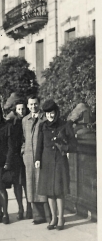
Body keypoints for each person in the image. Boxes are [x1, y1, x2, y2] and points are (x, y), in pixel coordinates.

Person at [35, 99, 78, 230]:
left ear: (56, 112)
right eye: (47, 113)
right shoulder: (42, 126)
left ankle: (61, 218)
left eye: (52, 113)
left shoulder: (65, 125)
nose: (50, 116)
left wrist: (64, 147)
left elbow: (74, 145)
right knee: (49, 192)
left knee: (59, 191)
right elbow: (39, 144)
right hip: (46, 162)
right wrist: (37, 159)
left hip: (60, 161)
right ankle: (53, 218)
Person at [21, 95, 51, 224]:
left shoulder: (44, 119)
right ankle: (37, 216)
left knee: (42, 185)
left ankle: (49, 215)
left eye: (35, 104)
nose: (33, 106)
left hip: (41, 157)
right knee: (31, 185)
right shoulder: (24, 120)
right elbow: (23, 138)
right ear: (28, 106)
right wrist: (23, 152)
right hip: (28, 157)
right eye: (31, 104)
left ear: (39, 104)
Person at [8, 99, 32, 220]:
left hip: (26, 155)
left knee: (27, 183)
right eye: (19, 109)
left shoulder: (29, 120)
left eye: (23, 109)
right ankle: (20, 208)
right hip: (16, 157)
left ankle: (29, 207)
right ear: (15, 110)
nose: (21, 111)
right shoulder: (12, 123)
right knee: (17, 183)